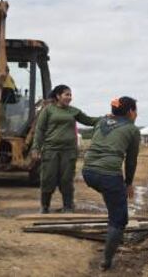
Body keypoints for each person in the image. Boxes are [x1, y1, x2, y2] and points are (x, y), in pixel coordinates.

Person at [82, 97, 140, 270]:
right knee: (119, 219)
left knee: (113, 199)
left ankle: (112, 233)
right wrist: (128, 182)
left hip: (88, 172)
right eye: (135, 110)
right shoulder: (132, 129)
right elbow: (131, 161)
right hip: (108, 176)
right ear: (131, 112)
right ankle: (106, 261)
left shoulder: (101, 121)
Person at [31, 85, 99, 213]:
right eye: (66, 94)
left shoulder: (73, 111)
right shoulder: (48, 110)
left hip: (69, 151)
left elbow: (89, 121)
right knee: (48, 178)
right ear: (58, 96)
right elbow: (39, 130)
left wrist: (106, 118)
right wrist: (36, 148)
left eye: (70, 95)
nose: (69, 97)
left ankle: (68, 206)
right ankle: (45, 206)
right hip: (51, 150)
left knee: (66, 179)